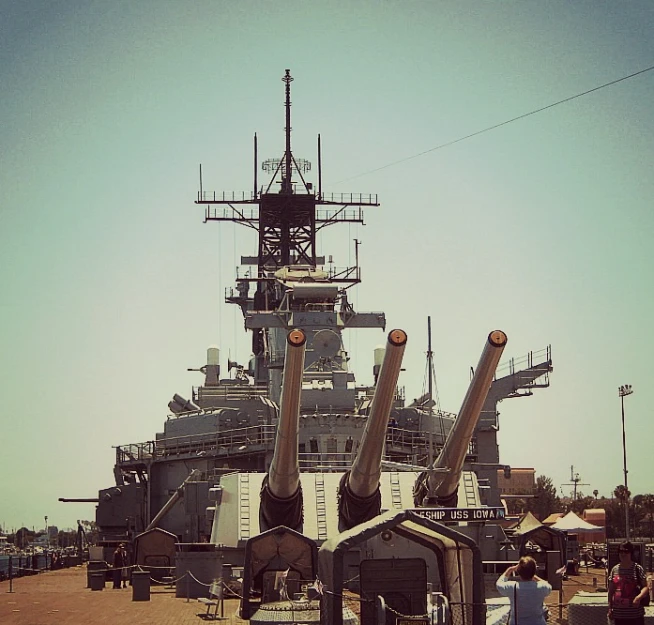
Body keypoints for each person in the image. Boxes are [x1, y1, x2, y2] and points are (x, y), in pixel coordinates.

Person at [496, 556, 552, 625]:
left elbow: (499, 584)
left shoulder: (512, 587)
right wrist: (533, 576)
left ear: (518, 572)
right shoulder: (542, 587)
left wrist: (510, 569)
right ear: (534, 571)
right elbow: (548, 585)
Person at [608, 541, 648, 625]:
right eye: (620, 551)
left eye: (626, 551)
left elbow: (645, 587)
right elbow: (611, 591)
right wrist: (610, 608)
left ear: (631, 553)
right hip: (619, 615)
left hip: (635, 615)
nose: (623, 554)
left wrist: (638, 598)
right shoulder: (614, 569)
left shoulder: (637, 569)